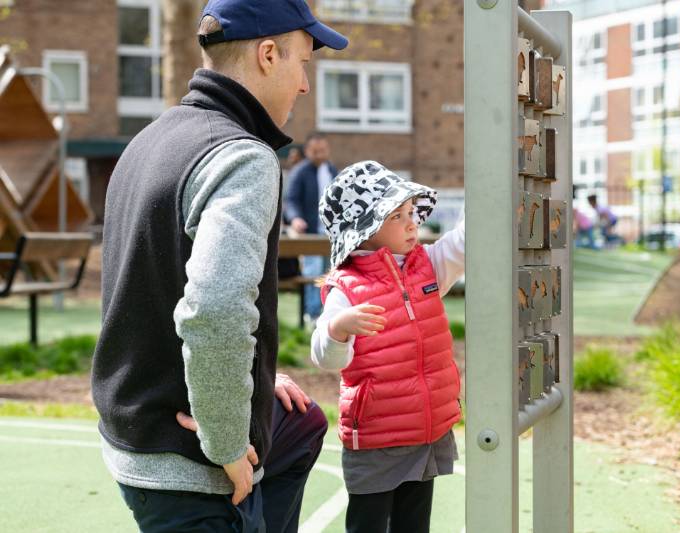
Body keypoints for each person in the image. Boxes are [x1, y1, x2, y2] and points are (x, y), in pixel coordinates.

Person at [91, 1, 347, 532]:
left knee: (302, 426)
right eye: (304, 64)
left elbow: (149, 285)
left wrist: (251, 377)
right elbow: (214, 311)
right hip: (186, 462)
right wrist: (227, 439)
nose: (304, 86)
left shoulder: (148, 142)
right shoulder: (242, 158)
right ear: (268, 54)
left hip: (129, 430)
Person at [311, 161, 464, 533]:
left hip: (423, 428)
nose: (412, 223)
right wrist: (338, 329)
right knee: (368, 525)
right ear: (365, 230)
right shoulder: (346, 286)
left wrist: (488, 186)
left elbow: (463, 244)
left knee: (414, 524)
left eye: (411, 212)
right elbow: (325, 357)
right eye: (397, 216)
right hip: (377, 437)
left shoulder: (425, 265)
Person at [284, 132, 338, 325]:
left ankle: (327, 312)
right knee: (313, 272)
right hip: (310, 233)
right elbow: (290, 200)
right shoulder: (300, 171)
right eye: (315, 151)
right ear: (307, 151)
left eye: (323, 150)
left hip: (330, 234)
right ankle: (312, 313)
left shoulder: (331, 170)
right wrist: (296, 218)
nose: (319, 154)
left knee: (330, 274)